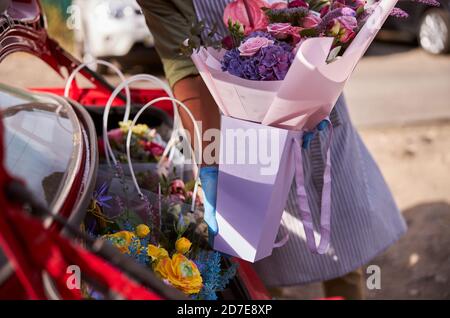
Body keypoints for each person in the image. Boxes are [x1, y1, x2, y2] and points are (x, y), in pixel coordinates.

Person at [137, 0, 407, 300]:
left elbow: (325, 19)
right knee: (259, 260)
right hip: (238, 130)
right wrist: (212, 163)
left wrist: (315, 103)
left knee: (342, 238)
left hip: (315, 109)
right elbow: (187, 69)